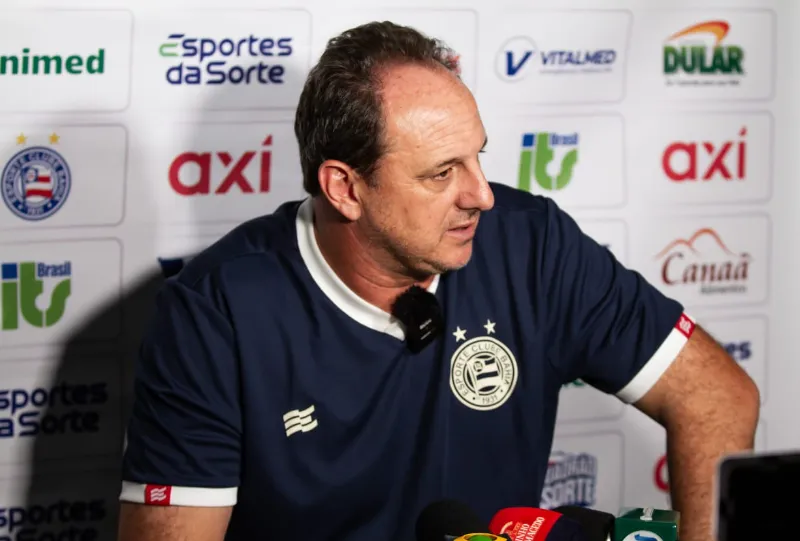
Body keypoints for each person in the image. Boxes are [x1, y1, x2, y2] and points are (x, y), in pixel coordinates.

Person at [116, 20, 760, 541]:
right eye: (441, 172)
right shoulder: (214, 314)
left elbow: (716, 397)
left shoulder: (532, 244)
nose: (481, 194)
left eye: (479, 155)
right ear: (345, 187)